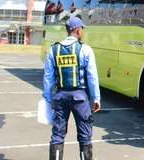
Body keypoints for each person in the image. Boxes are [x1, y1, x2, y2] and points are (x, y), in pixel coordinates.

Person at [43, 16, 101, 160]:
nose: (83, 31)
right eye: (82, 28)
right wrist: (96, 98)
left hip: (60, 96)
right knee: (85, 136)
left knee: (57, 135)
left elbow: (48, 77)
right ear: (77, 30)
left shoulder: (53, 50)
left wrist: (48, 99)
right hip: (80, 97)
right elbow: (92, 77)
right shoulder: (85, 49)